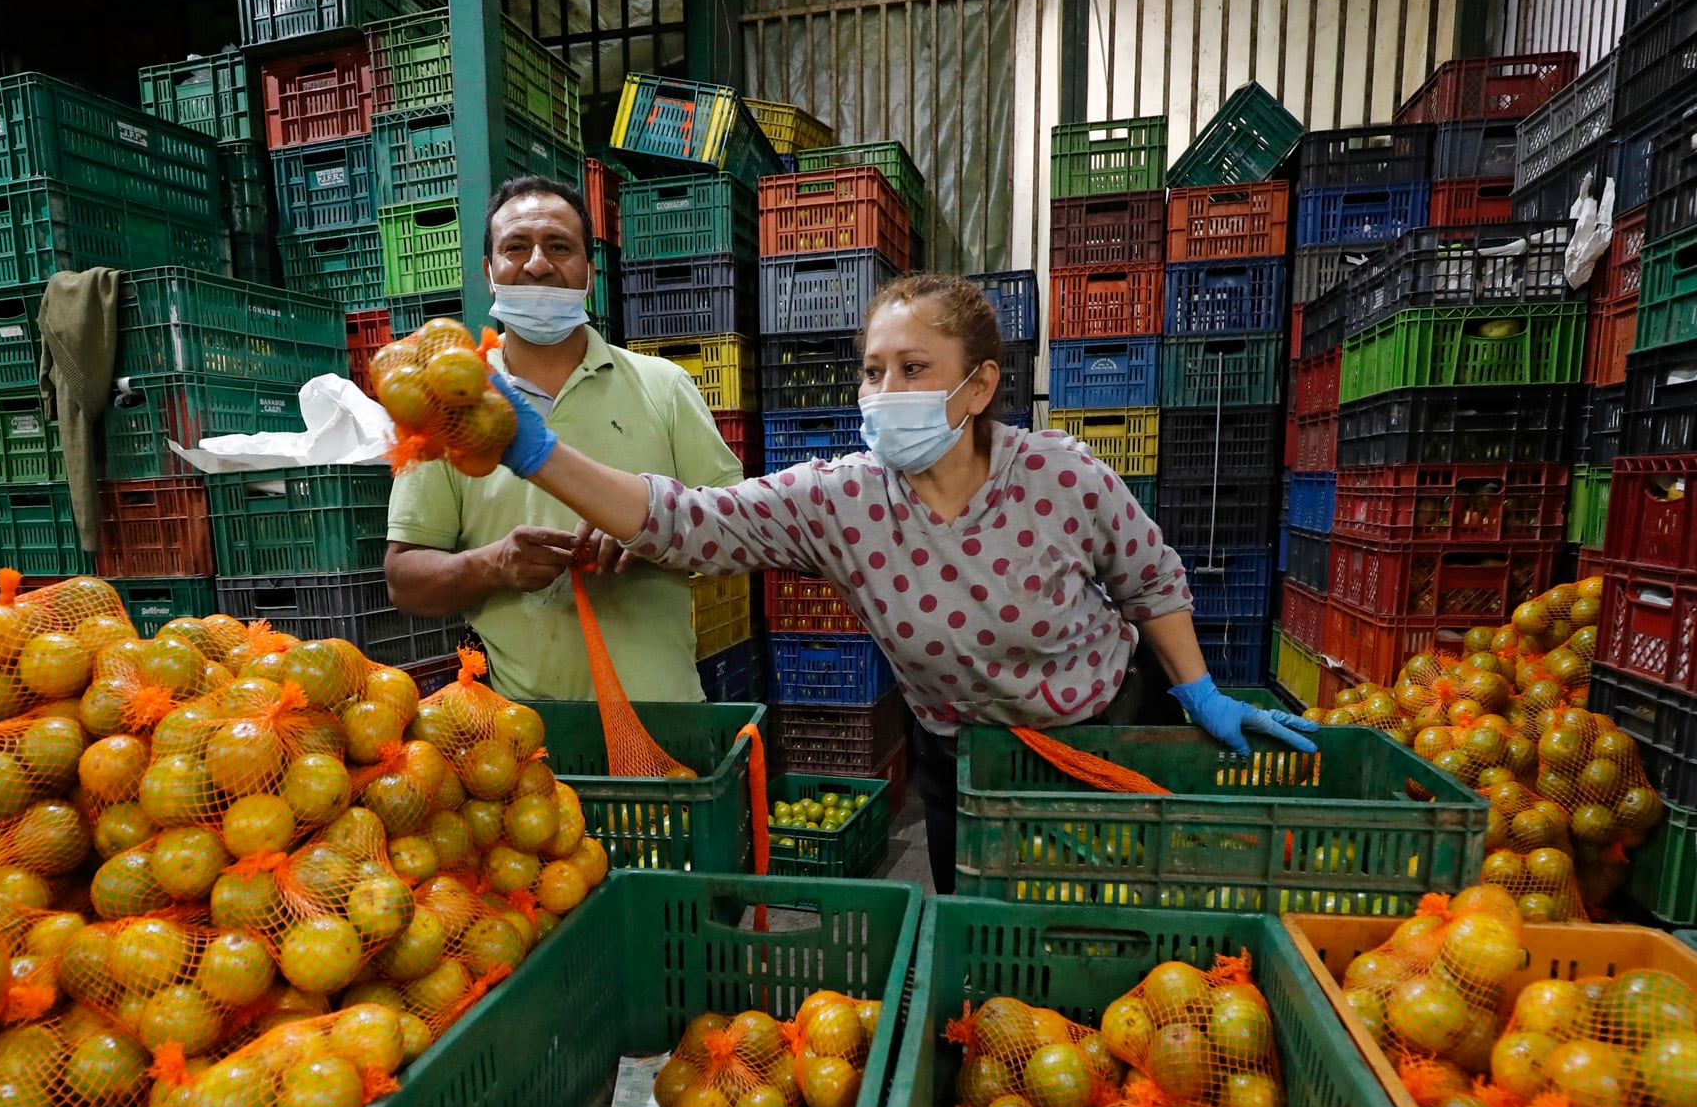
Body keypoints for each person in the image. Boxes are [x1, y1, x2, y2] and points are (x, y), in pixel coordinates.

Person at [473, 272, 1317, 893]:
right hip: (962, 762)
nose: (886, 392)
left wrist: (1201, 691)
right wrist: (540, 455)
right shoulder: (841, 499)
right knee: (985, 950)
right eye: (873, 371)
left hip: (1103, 734)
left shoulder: (1062, 474)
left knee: (1111, 921)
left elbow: (1150, 581)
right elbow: (687, 521)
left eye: (914, 368)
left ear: (979, 384)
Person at [384, 176, 745, 703]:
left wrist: (647, 534)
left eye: (559, 247)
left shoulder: (663, 387)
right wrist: (495, 565)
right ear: (489, 273)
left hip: (663, 719)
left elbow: (736, 529)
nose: (537, 264)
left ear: (589, 273)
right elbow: (404, 578)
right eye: (515, 248)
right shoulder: (451, 405)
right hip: (515, 742)